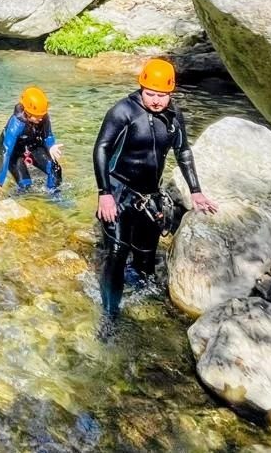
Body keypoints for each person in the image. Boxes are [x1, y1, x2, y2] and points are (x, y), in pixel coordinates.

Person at [92, 58, 218, 335]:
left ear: (171, 92)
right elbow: (101, 148)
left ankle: (143, 302)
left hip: (149, 195)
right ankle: (110, 315)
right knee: (116, 251)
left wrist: (196, 191)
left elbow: (183, 151)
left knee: (146, 260)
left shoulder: (173, 116)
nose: (157, 101)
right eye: (151, 94)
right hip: (119, 191)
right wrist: (104, 194)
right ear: (141, 87)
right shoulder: (123, 112)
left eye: (162, 95)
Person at [0, 86, 63, 196]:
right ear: (27, 112)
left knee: (55, 169)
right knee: (26, 186)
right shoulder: (16, 124)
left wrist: (51, 146)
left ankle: (53, 195)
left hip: (32, 146)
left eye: (42, 115)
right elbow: (6, 152)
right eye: (37, 116)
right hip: (14, 153)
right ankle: (12, 196)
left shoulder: (42, 116)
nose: (41, 118)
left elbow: (48, 135)